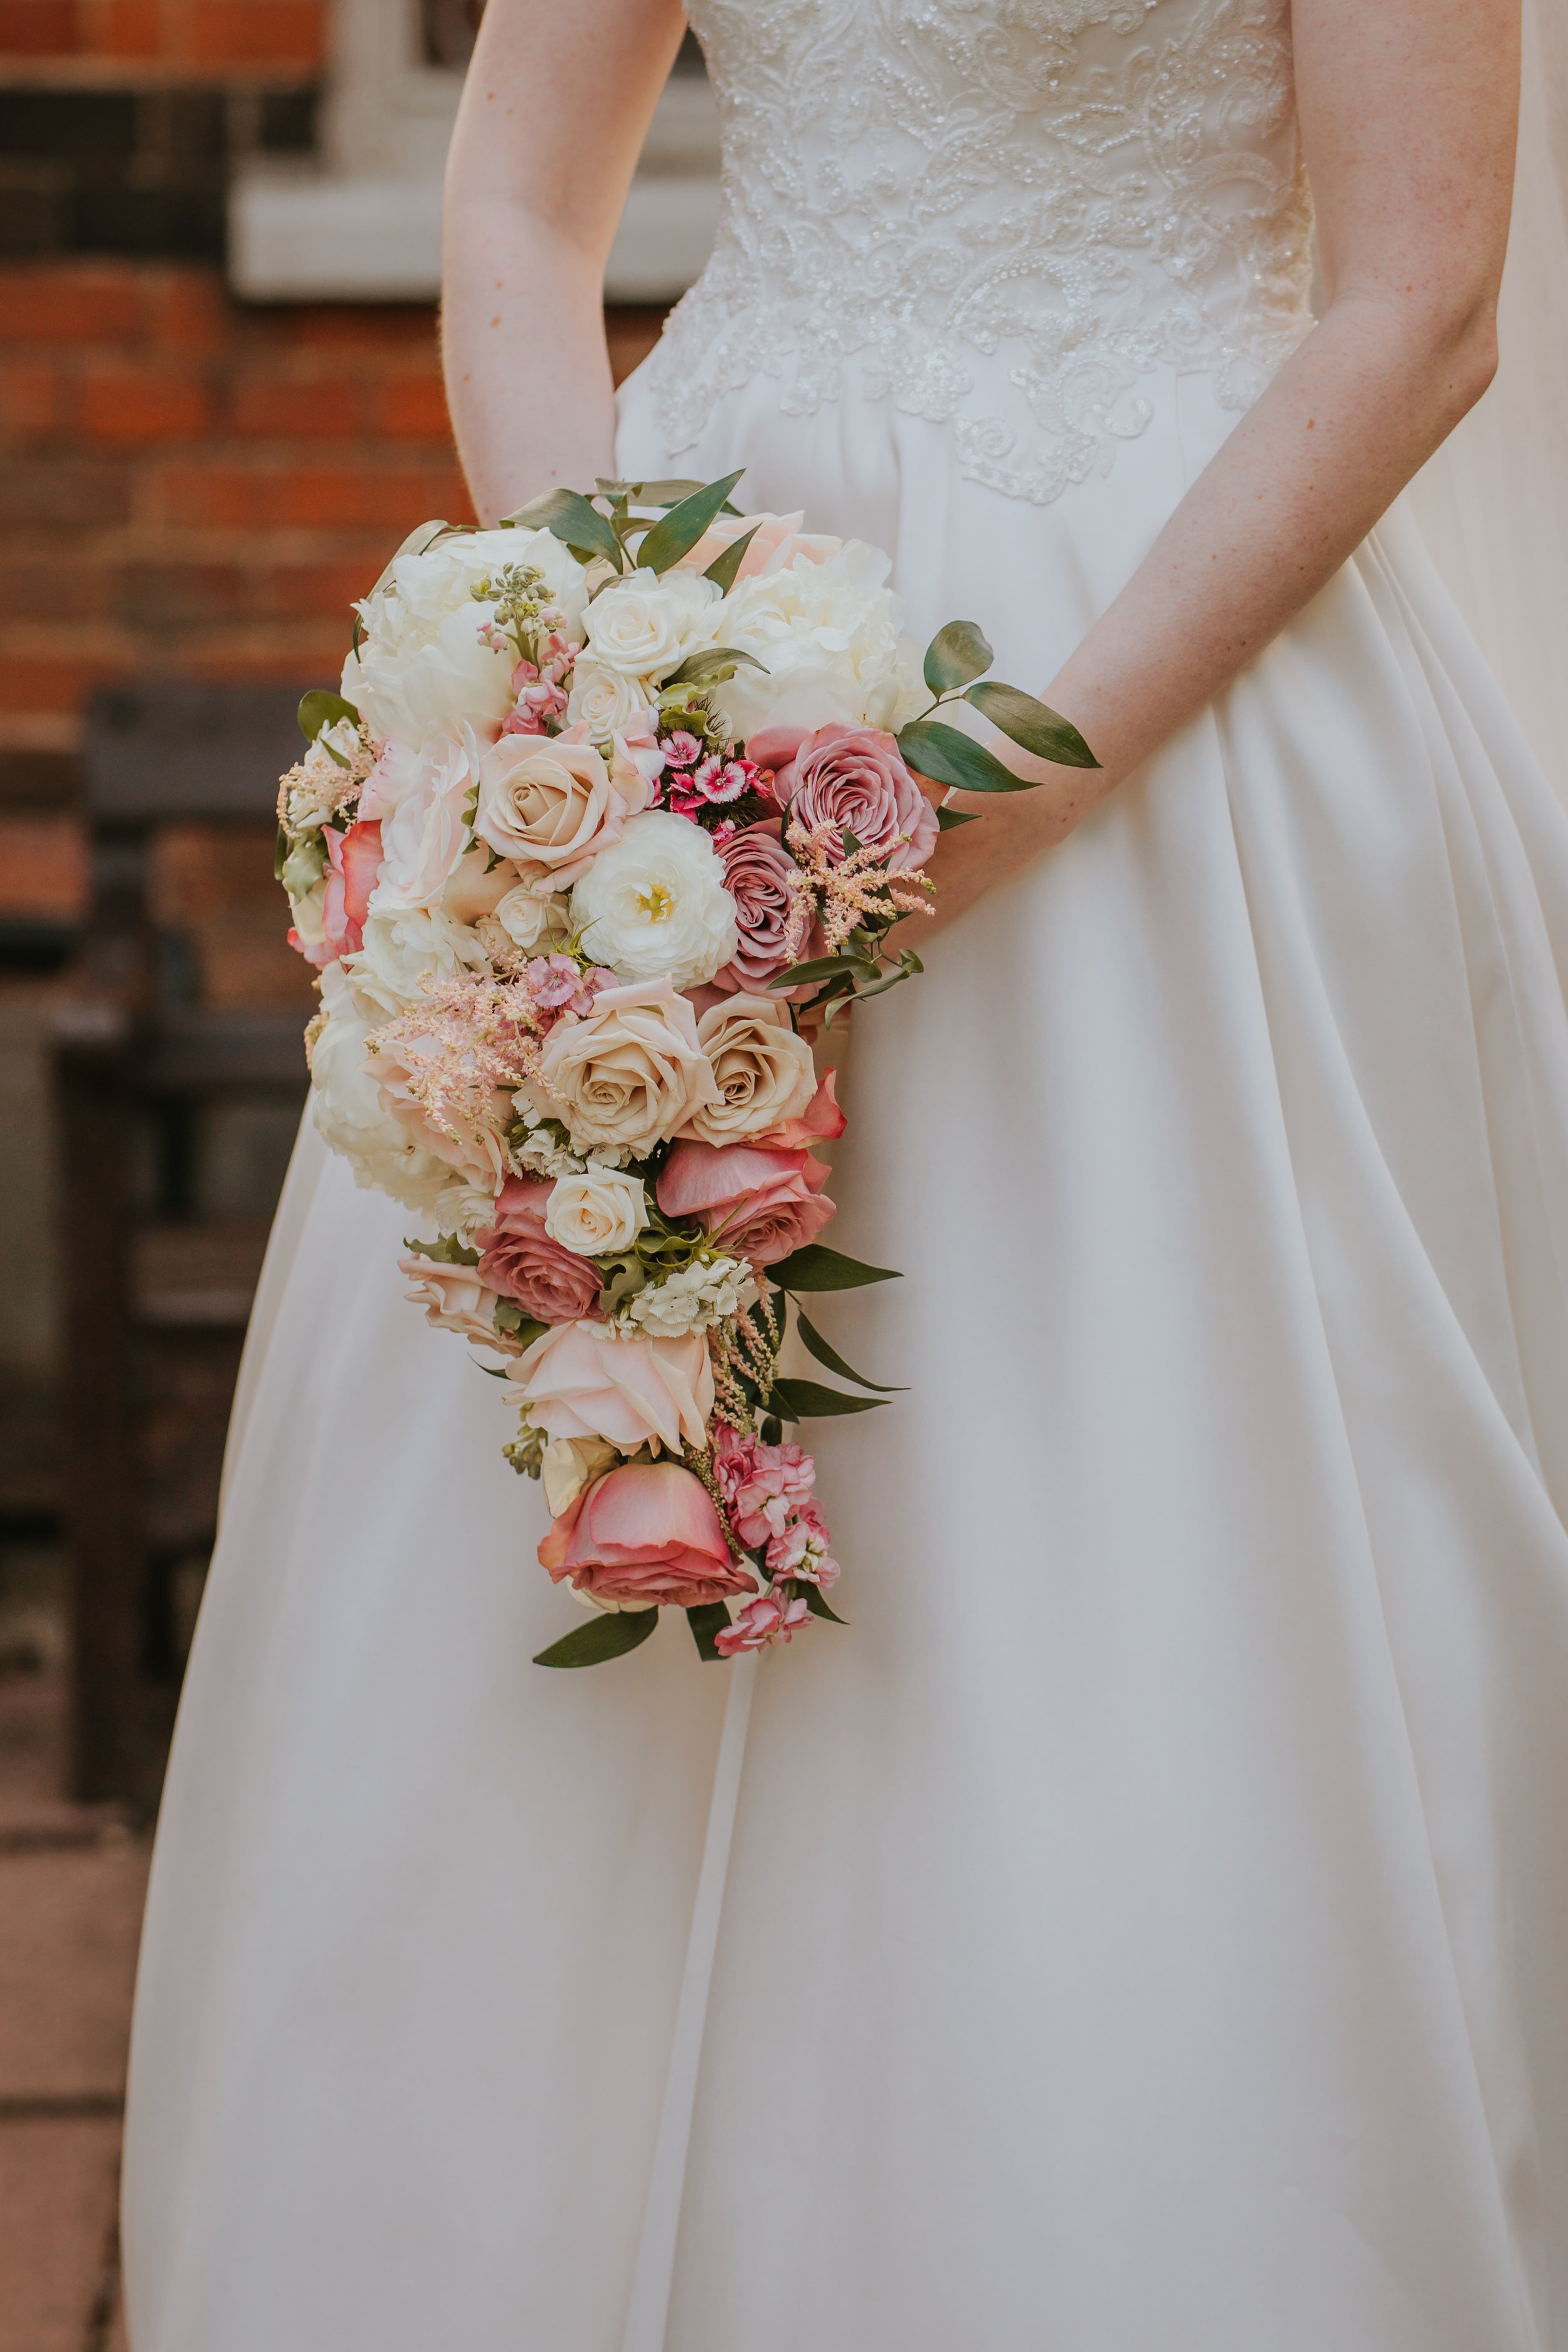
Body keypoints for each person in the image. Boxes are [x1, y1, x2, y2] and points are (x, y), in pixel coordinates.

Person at [122, 3, 1568, 2346]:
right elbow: (511, 192)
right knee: (590, 1429)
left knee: (1141, 1526)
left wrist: (1013, 783)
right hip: (703, 636)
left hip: (1171, 676)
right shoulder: (635, 694)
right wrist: (602, 691)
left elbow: (1420, 309)